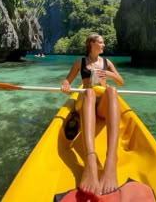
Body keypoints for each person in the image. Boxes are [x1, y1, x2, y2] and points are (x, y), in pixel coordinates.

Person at [61, 34, 124, 196]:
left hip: (101, 103)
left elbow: (120, 81)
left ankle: (111, 161)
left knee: (112, 90)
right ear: (91, 44)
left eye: (103, 43)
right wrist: (66, 84)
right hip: (85, 101)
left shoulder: (106, 63)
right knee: (89, 92)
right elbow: (67, 80)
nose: (104, 45)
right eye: (101, 42)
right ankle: (90, 162)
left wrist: (109, 75)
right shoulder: (80, 62)